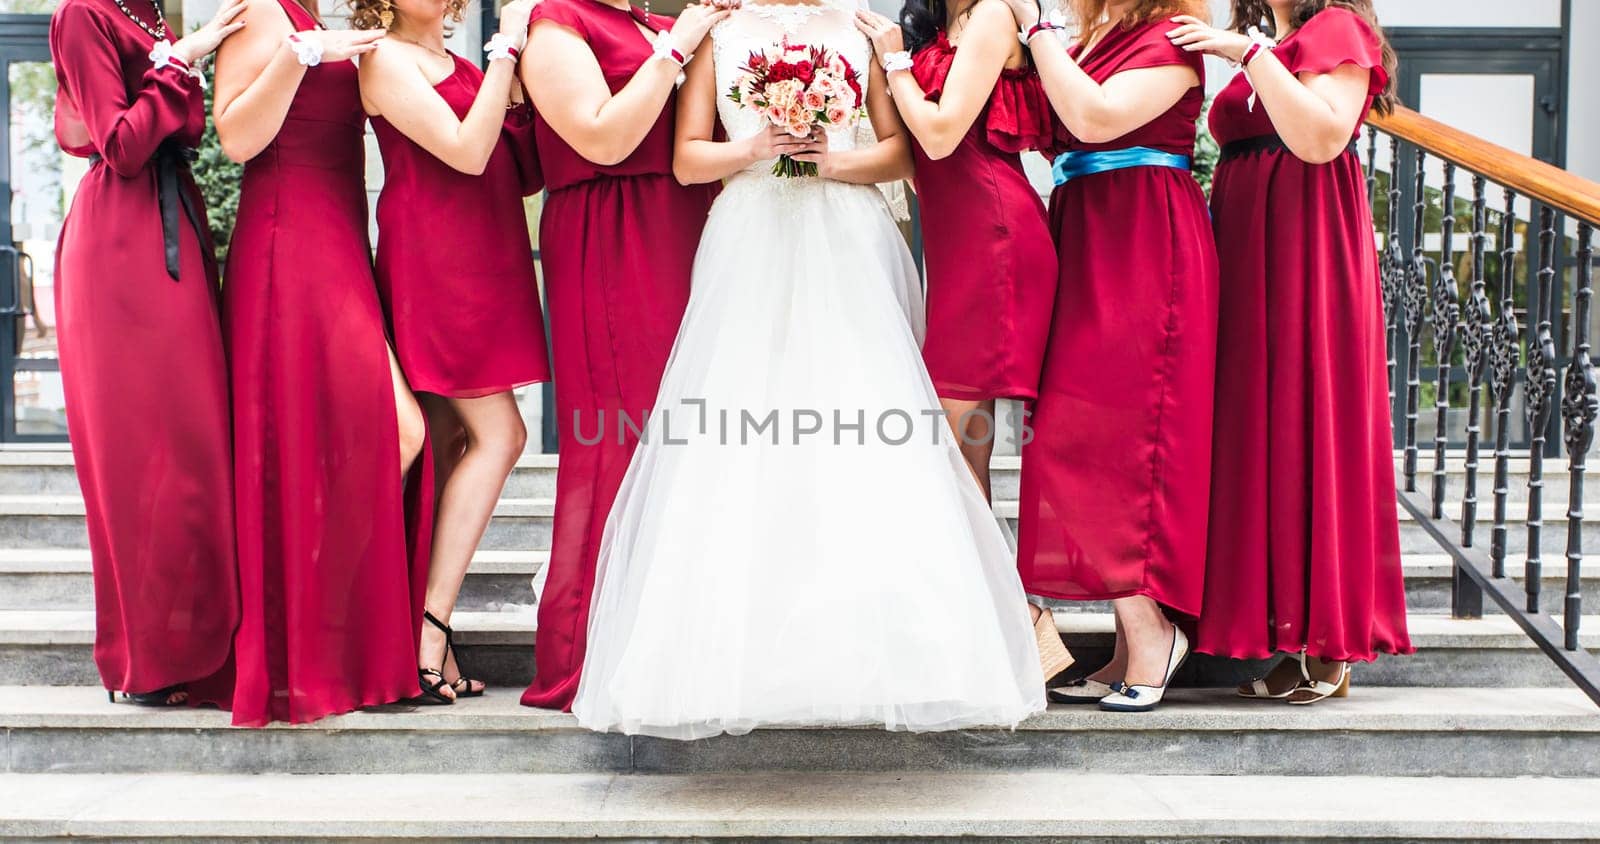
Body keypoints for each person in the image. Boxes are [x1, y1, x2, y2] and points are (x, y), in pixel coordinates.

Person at [570, 0, 1046, 740]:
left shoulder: (857, 28)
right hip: (748, 237)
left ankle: (883, 650)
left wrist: (831, 159)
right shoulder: (720, 35)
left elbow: (898, 151)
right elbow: (688, 158)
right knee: (741, 437)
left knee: (864, 434)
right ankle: (742, 656)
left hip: (848, 236)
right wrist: (757, 147)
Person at [1167, 0, 1413, 703]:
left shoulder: (1334, 27)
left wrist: (1245, 55)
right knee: (1259, 429)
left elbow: (1322, 136)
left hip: (1305, 241)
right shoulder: (1279, 40)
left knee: (1309, 416)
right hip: (1246, 240)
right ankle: (1284, 632)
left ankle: (1329, 636)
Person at [205, 0, 433, 725]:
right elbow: (235, 137)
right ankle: (316, 639)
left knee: (357, 441)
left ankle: (331, 635)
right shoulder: (257, 12)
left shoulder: (312, 13)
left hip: (338, 235)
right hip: (289, 239)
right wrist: (300, 54)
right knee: (397, 434)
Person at [1003, 0, 1218, 712]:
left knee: (1128, 438)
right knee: (1067, 434)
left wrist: (1034, 33)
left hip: (1145, 242)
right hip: (1084, 231)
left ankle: (1150, 627)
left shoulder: (1171, 40)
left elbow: (1094, 120)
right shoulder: (1097, 40)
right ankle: (1130, 637)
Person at [516, 0, 727, 711]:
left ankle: (670, 645)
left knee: (683, 445)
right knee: (613, 439)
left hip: (688, 233)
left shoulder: (663, 26)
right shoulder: (558, 21)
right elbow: (601, 138)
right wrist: (683, 47)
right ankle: (583, 650)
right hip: (610, 231)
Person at [856, 0, 1070, 683]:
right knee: (961, 457)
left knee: (950, 451)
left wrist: (892, 61)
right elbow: (914, 159)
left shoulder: (994, 17)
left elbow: (943, 135)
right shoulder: (934, 29)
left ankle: (1023, 626)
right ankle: (1006, 632)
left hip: (996, 238)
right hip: (953, 245)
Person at [49, 0, 246, 708]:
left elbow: (182, 132)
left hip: (177, 231)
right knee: (139, 463)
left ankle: (207, 651)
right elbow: (122, 144)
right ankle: (149, 660)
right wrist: (180, 58)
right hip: (121, 247)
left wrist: (177, 53)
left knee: (197, 451)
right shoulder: (83, 13)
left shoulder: (151, 13)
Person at [358, 0, 548, 703]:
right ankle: (430, 628)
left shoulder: (462, 65)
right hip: (435, 261)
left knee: (443, 443)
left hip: (486, 254)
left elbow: (515, 170)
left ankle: (410, 628)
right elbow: (466, 151)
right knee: (502, 434)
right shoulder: (382, 59)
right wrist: (507, 54)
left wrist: (516, 82)